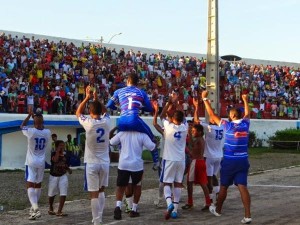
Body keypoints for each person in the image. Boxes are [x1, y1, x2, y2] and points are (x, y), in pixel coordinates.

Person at [201, 90, 252, 224]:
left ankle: (218, 210)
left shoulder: (228, 126)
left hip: (230, 161)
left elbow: (212, 114)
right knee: (242, 187)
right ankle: (247, 215)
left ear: (233, 115)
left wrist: (204, 99)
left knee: (224, 186)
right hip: (243, 160)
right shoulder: (246, 124)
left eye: (229, 113)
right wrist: (245, 100)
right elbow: (247, 113)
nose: (228, 114)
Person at [106, 73, 159, 169]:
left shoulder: (119, 91)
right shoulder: (141, 92)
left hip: (122, 120)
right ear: (137, 83)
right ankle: (156, 161)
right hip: (135, 119)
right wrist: (140, 107)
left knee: (121, 140)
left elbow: (109, 105)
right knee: (152, 137)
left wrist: (118, 108)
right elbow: (150, 109)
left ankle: (121, 161)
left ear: (127, 81)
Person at [76, 86, 111, 225]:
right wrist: (96, 98)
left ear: (90, 112)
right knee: (101, 190)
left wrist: (87, 97)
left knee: (93, 193)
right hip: (105, 162)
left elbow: (78, 112)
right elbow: (106, 111)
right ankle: (100, 217)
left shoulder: (88, 123)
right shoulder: (106, 121)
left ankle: (96, 220)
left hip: (91, 162)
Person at [110, 127, 156, 220]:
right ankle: (134, 209)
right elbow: (152, 147)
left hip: (123, 164)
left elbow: (111, 141)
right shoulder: (142, 135)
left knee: (121, 186)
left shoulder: (122, 133)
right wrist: (155, 141)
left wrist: (116, 127)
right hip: (136, 165)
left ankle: (118, 207)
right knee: (137, 186)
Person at [159, 93, 188, 220]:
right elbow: (182, 114)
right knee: (177, 184)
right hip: (181, 160)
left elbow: (161, 115)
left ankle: (169, 204)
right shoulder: (185, 127)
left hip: (169, 159)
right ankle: (175, 210)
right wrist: (176, 104)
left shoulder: (169, 126)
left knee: (166, 183)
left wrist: (169, 103)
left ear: (172, 118)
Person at [20, 110, 51, 220]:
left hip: (31, 161)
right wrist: (37, 119)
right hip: (41, 162)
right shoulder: (48, 132)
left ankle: (35, 207)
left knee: (30, 184)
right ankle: (33, 209)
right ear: (43, 122)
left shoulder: (31, 131)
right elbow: (41, 125)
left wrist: (29, 116)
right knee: (37, 185)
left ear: (34, 123)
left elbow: (22, 126)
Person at [181, 98, 211, 211]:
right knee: (203, 183)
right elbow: (196, 121)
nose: (192, 131)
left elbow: (191, 146)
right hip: (201, 161)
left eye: (194, 131)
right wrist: (196, 107)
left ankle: (190, 202)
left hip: (195, 161)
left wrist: (188, 133)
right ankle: (208, 202)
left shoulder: (198, 139)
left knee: (189, 182)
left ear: (198, 132)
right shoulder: (202, 139)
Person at [48, 140, 72, 216]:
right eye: (60, 145)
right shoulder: (53, 153)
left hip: (63, 176)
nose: (62, 147)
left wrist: (68, 169)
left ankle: (59, 211)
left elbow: (65, 164)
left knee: (63, 193)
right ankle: (51, 207)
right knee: (52, 193)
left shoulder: (66, 155)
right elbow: (55, 160)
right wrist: (58, 151)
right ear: (56, 146)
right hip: (54, 176)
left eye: (63, 145)